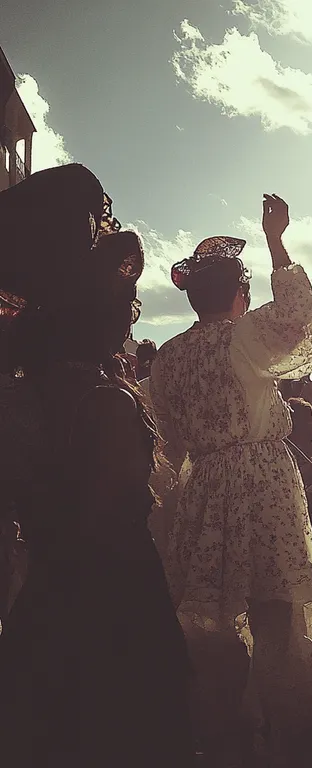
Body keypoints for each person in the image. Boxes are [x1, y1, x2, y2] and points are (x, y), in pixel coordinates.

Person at [0, 164, 192, 767]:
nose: (133, 309)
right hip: (111, 623)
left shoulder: (27, 392)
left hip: (44, 615)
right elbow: (104, 539)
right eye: (128, 301)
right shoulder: (102, 403)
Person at [150, 194, 312, 762]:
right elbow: (301, 316)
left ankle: (223, 727)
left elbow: (168, 437)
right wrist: (276, 240)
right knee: (274, 612)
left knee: (213, 617)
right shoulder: (243, 338)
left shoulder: (167, 358)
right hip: (261, 483)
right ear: (239, 294)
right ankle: (281, 731)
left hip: (202, 484)